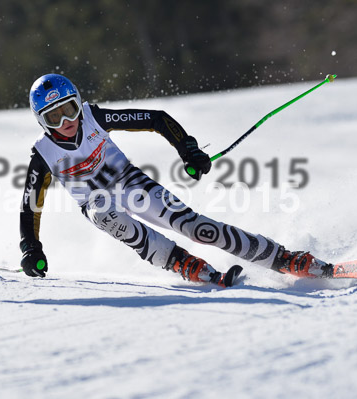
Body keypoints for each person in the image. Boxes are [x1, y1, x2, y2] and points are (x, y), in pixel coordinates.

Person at [19, 73, 331, 286]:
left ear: (78, 103)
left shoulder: (94, 117)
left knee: (198, 228)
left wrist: (188, 149)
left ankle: (283, 257)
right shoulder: (44, 154)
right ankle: (179, 261)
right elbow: (29, 206)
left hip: (130, 183)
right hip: (96, 203)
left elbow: (156, 119)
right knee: (102, 209)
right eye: (54, 118)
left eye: (70, 110)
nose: (67, 122)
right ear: (41, 122)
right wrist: (30, 248)